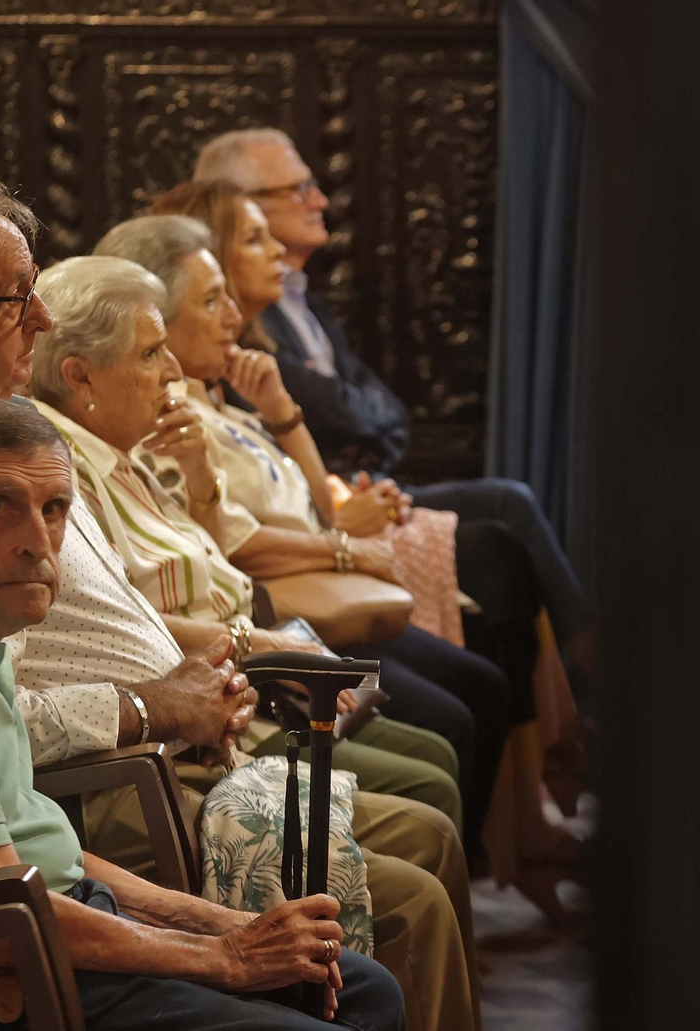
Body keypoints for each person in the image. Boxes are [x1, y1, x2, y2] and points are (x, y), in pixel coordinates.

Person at [0, 171, 481, 1031]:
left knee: (420, 837)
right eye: (16, 297)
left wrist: (198, 660)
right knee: (409, 897)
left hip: (141, 767)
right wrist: (150, 706)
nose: (42, 316)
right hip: (109, 789)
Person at [0, 398, 405, 1030]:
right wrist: (228, 958)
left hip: (43, 924)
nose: (38, 541)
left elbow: (48, 853)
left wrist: (224, 924)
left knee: (363, 984)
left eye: (54, 508)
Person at [93, 209, 511, 863]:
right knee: (450, 730)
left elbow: (304, 513)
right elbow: (220, 562)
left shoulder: (210, 412)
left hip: (274, 635)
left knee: (492, 604)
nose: (232, 313)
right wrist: (342, 547)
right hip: (261, 642)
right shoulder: (148, 430)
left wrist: (284, 418)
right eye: (212, 298)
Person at [192, 128, 597, 686]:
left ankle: (565, 709)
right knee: (500, 540)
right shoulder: (232, 365)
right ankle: (576, 694)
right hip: (322, 534)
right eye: (299, 188)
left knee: (507, 517)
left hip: (346, 506)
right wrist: (338, 536)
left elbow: (374, 408)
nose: (321, 200)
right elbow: (250, 512)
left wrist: (332, 483)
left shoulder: (296, 303)